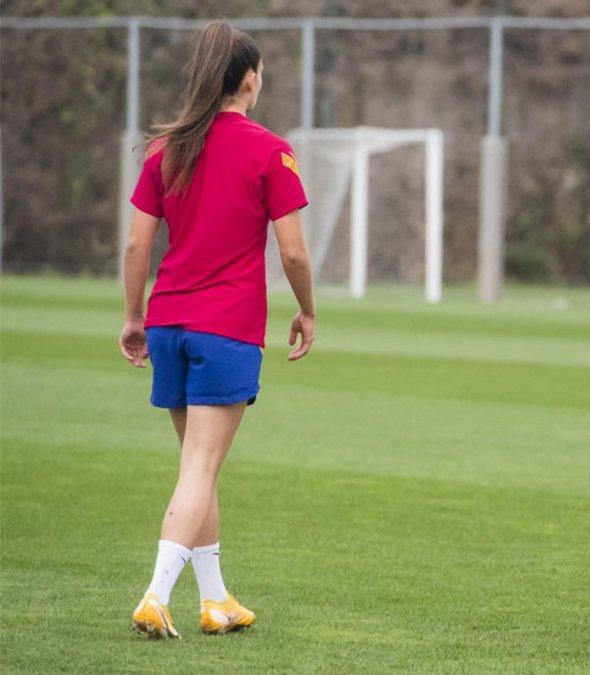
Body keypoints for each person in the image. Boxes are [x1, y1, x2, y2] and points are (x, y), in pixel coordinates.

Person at [120, 21, 316, 639]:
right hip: (225, 327)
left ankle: (217, 600)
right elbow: (294, 256)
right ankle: (155, 594)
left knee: (194, 466)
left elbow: (136, 245)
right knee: (200, 469)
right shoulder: (269, 149)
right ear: (251, 78)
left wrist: (133, 318)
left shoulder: (165, 149)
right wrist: (308, 310)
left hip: (170, 323)